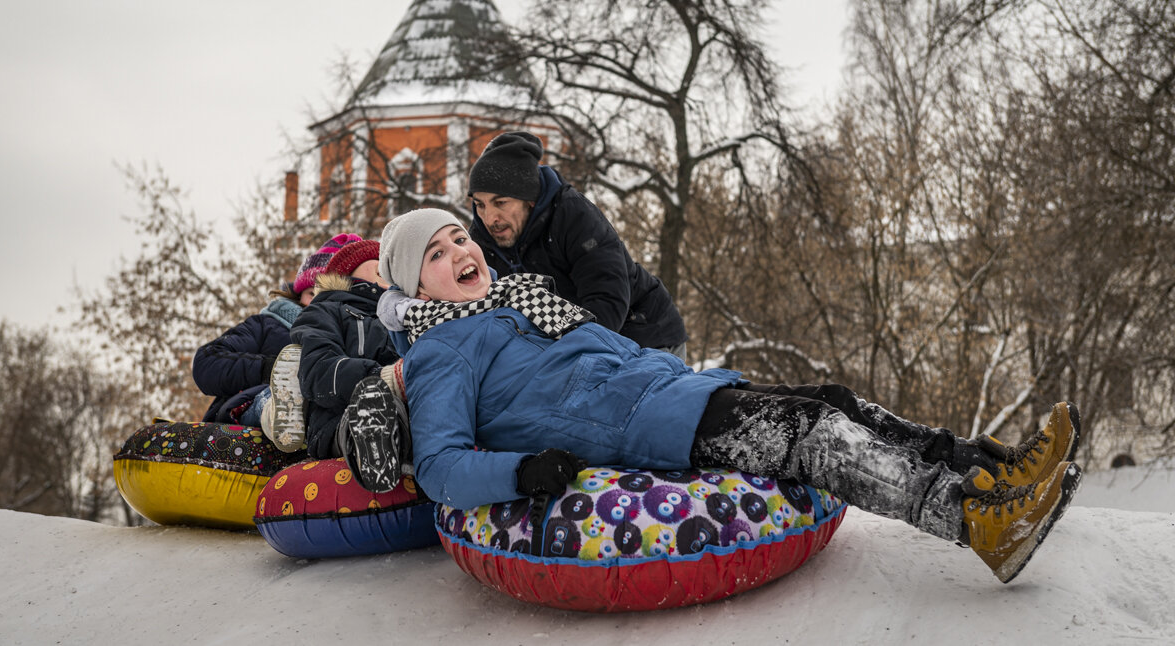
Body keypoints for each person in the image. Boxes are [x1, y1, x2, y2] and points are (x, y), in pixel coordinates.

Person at [362, 208, 1082, 584]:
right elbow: (441, 464)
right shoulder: (441, 349)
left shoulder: (524, 301)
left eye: (461, 238)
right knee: (811, 435)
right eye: (436, 252)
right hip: (640, 422)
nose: (461, 253)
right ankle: (979, 524)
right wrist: (520, 473)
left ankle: (993, 470)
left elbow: (620, 353)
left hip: (672, 390)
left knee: (836, 400)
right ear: (414, 284)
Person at [468, 131, 689, 359]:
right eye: (480, 205)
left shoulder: (573, 216)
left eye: (500, 203)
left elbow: (606, 297)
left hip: (645, 335)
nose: (489, 217)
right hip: (573, 344)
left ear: (530, 200)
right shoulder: (481, 238)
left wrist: (561, 358)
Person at [190, 233, 362, 428]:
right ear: (299, 293)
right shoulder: (269, 325)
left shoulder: (359, 333)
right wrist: (270, 369)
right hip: (254, 411)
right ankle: (275, 413)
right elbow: (207, 362)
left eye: (327, 297)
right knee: (276, 395)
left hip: (324, 420)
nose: (317, 303)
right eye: (312, 293)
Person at [276, 238, 405, 480]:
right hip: (340, 416)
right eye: (381, 266)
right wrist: (379, 378)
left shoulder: (408, 314)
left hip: (411, 408)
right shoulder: (326, 310)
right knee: (375, 405)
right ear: (347, 273)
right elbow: (318, 369)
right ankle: (370, 446)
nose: (390, 271)